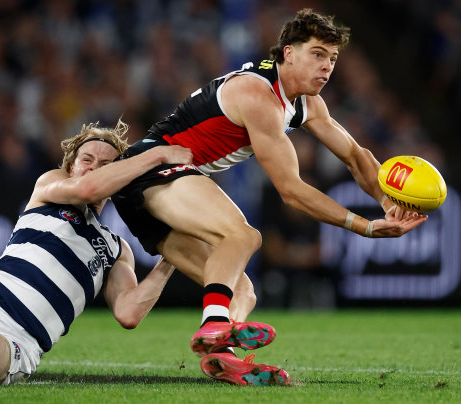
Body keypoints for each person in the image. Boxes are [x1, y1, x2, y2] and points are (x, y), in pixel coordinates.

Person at [111, 8, 428, 386]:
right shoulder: (257, 93)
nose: (327, 67)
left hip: (153, 194)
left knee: (243, 291)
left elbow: (356, 156)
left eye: (332, 58)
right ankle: (214, 326)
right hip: (150, 169)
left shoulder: (307, 104)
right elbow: (291, 191)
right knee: (244, 236)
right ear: (288, 53)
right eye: (317, 54)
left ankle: (222, 355)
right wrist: (365, 227)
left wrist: (386, 201)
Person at [0, 121, 193, 385]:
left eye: (107, 165)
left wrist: (171, 255)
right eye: (87, 160)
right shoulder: (49, 186)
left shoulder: (116, 250)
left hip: (15, 340)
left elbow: (128, 313)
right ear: (71, 166)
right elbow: (87, 189)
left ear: (119, 177)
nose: (94, 168)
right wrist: (157, 155)